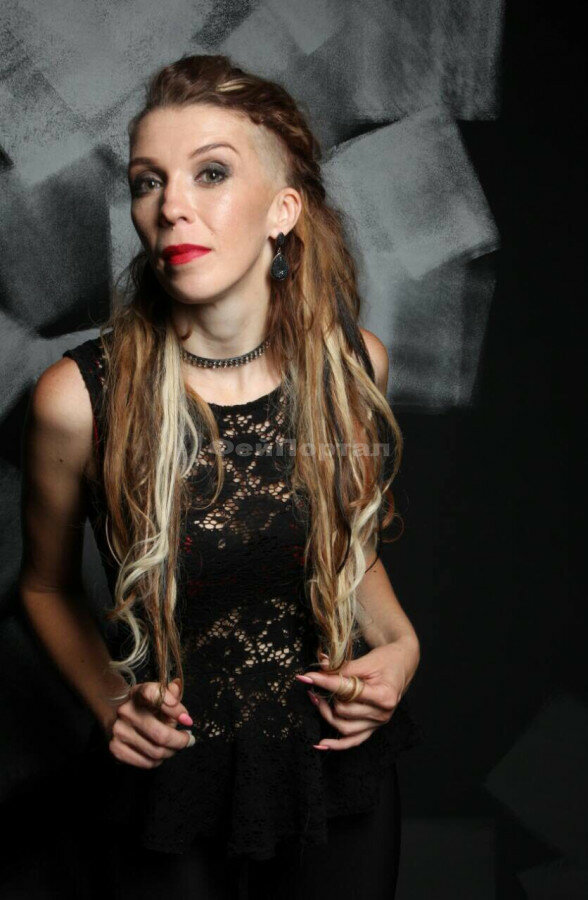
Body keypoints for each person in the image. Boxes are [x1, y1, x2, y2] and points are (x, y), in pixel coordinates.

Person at [18, 54, 424, 899]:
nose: (171, 206)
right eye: (148, 181)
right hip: (169, 786)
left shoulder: (351, 367)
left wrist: (400, 646)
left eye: (210, 173)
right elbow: (44, 587)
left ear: (284, 211)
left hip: (330, 775)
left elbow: (345, 553)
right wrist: (110, 705)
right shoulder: (78, 399)